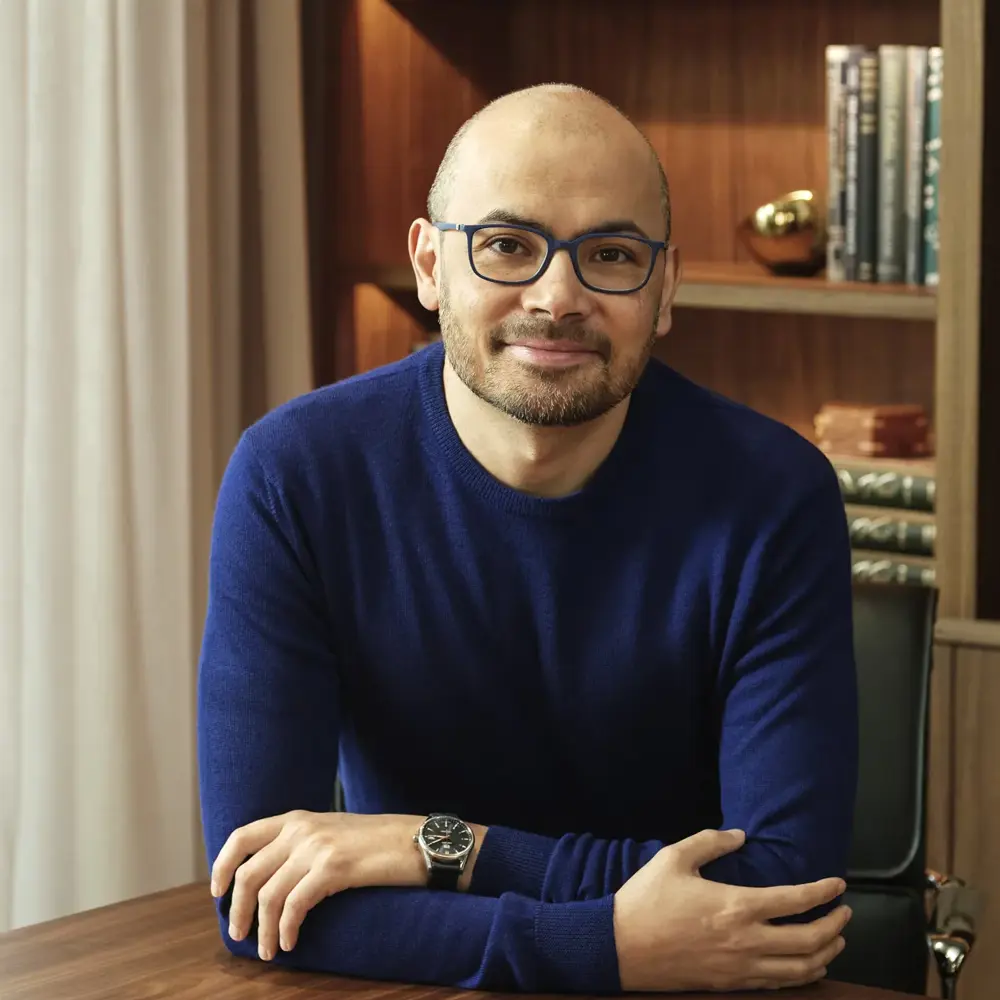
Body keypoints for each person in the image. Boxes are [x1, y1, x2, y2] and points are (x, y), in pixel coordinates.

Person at [197, 83, 859, 994]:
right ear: (430, 267)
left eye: (612, 253)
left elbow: (779, 895)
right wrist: (607, 947)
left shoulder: (775, 494)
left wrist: (436, 847)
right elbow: (258, 899)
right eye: (507, 245)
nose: (558, 297)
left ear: (665, 289)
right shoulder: (295, 475)